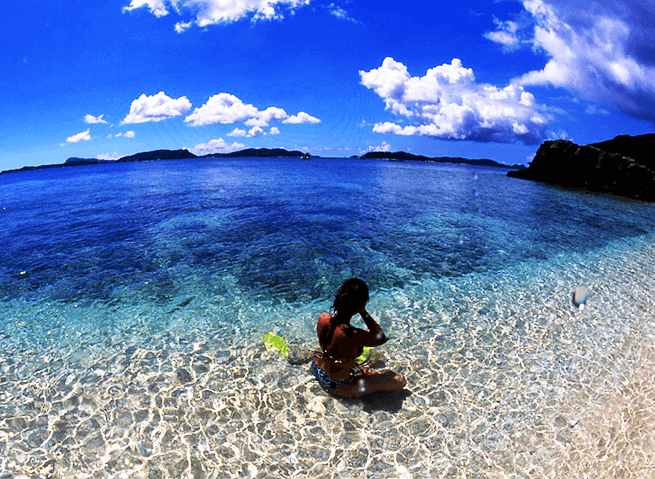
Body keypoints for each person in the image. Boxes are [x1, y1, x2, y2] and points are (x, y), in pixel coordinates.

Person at [310, 278, 406, 398]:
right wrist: (363, 312)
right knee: (398, 379)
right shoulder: (354, 335)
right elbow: (380, 337)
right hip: (338, 386)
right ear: (361, 304)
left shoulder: (323, 318)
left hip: (319, 370)